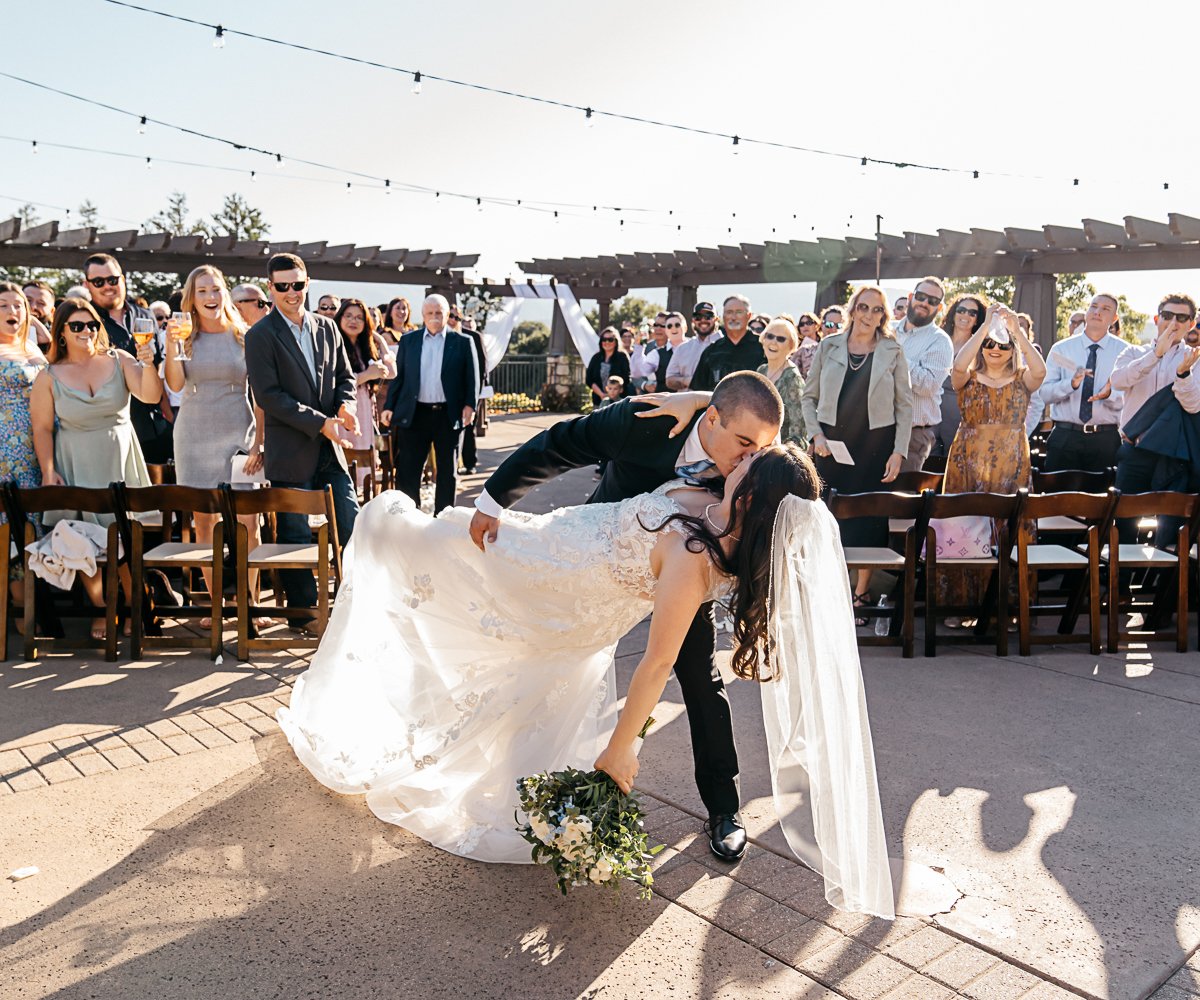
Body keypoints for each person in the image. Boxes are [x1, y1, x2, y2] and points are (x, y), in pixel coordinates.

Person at [279, 441, 894, 917]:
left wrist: (620, 747)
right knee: (420, 548)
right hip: (553, 540)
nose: (740, 459)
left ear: (755, 499)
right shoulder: (716, 506)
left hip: (549, 581)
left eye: (752, 462)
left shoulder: (695, 556)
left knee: (402, 534)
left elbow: (656, 663)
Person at [470, 372, 783, 861]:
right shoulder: (647, 421)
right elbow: (562, 442)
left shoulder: (750, 452)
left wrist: (700, 396)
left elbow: (779, 456)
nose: (749, 458)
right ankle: (511, 777)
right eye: (743, 443)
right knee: (552, 654)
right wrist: (493, 501)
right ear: (713, 419)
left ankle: (724, 809)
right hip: (607, 558)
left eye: (757, 450)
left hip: (685, 564)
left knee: (700, 677)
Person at [30, 297, 159, 639]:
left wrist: (150, 365)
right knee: (83, 543)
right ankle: (104, 609)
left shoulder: (120, 360)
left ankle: (136, 608)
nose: (86, 331)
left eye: (91, 325)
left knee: (126, 540)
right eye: (77, 326)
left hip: (119, 459)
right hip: (75, 460)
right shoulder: (49, 375)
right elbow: (41, 427)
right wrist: (48, 470)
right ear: (61, 333)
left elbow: (150, 396)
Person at [244, 253, 360, 619]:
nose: (292, 292)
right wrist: (320, 422)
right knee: (293, 535)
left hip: (330, 447)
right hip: (290, 450)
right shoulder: (259, 335)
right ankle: (302, 613)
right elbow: (269, 396)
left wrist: (345, 407)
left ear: (308, 282)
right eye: (283, 286)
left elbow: (346, 378)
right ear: (270, 288)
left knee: (352, 525)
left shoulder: (327, 328)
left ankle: (352, 605)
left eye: (298, 284)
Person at [164, 265, 267, 626]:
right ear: (192, 298)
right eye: (202, 291)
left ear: (225, 293)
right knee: (204, 523)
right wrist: (171, 343)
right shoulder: (183, 336)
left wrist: (259, 442)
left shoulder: (245, 335)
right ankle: (218, 607)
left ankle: (250, 607)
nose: (210, 297)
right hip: (193, 435)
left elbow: (262, 395)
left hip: (241, 434)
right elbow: (175, 385)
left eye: (216, 289)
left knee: (249, 523)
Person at [801, 284, 912, 620]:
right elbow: (809, 398)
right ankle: (829, 593)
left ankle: (861, 594)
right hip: (831, 444)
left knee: (869, 518)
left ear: (884, 315)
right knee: (828, 517)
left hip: (876, 445)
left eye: (876, 309)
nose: (868, 315)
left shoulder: (893, 349)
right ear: (853, 310)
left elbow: (904, 406)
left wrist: (899, 452)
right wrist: (815, 434)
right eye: (863, 307)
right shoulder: (828, 345)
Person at [940, 304, 1047, 624]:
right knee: (964, 528)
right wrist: (985, 328)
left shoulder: (1022, 379)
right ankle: (961, 607)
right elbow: (958, 363)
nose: (996, 349)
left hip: (1012, 462)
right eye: (990, 344)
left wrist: (1016, 331)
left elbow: (1040, 370)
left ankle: (1009, 609)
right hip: (968, 461)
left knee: (1010, 530)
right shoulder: (967, 378)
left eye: (1003, 345)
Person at [1110, 294, 1200, 541]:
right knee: (1125, 525)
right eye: (1168, 316)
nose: (1174, 322)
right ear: (1156, 318)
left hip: (1174, 454)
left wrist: (1183, 375)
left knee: (1169, 529)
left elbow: (1193, 406)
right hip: (1134, 450)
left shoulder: (1196, 358)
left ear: (1191, 324)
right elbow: (1118, 381)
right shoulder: (1133, 351)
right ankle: (1122, 578)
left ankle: (1160, 579)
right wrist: (1155, 355)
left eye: (1182, 318)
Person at [379, 294, 478, 514]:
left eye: (439, 313)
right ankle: (407, 517)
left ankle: (444, 517)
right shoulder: (409, 341)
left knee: (447, 471)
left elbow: (472, 377)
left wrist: (470, 405)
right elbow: (400, 377)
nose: (434, 317)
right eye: (430, 313)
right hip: (415, 414)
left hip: (447, 414)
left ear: (446, 315)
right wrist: (389, 406)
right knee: (408, 469)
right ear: (423, 315)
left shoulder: (462, 342)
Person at [80, 252, 172, 464]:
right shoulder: (85, 321)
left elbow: (156, 367)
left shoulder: (144, 315)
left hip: (155, 425)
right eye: (98, 281)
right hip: (113, 429)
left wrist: (168, 414)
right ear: (87, 285)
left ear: (123, 278)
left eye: (112, 279)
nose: (107, 286)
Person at [0, 283, 48, 615]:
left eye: (18, 305)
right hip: (3, 451)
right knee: (5, 524)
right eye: (3, 306)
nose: (12, 312)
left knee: (28, 524)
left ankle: (29, 610)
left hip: (35, 450)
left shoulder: (34, 348)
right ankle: (15, 608)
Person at [1040, 293, 1126, 472]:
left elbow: (1130, 399)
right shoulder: (1061, 349)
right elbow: (1044, 394)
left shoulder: (1125, 352)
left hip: (1106, 438)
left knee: (1102, 496)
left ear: (1114, 318)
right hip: (1065, 435)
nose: (1097, 312)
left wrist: (1109, 394)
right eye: (1093, 306)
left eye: (1105, 309)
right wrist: (1070, 384)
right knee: (1057, 496)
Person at [333, 297, 396, 488]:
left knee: (364, 464)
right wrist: (367, 375)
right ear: (340, 318)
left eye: (360, 317)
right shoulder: (334, 345)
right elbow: (334, 384)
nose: (354, 321)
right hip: (345, 408)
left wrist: (378, 339)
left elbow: (392, 372)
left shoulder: (365, 347)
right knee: (347, 462)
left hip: (366, 410)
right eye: (349, 316)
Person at [895, 277, 953, 472]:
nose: (925, 303)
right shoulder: (886, 330)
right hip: (875, 428)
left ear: (940, 308)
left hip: (913, 435)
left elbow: (927, 386)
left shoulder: (940, 341)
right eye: (921, 296)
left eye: (933, 301)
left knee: (900, 497)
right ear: (911, 297)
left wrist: (896, 355)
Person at [933, 293, 988, 460]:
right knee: (927, 464)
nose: (966, 315)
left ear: (978, 319)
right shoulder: (937, 339)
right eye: (961, 310)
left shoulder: (981, 348)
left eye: (972, 313)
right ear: (953, 313)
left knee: (954, 464)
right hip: (929, 410)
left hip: (960, 415)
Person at [690, 295, 766, 391]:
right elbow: (698, 390)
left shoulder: (763, 348)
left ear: (749, 316)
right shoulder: (711, 351)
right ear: (723, 317)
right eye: (729, 312)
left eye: (739, 312)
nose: (733, 317)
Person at [758, 317, 807, 447]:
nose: (773, 342)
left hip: (777, 455)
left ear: (791, 345)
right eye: (770, 336)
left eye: (781, 339)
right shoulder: (761, 370)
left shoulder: (793, 378)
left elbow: (798, 433)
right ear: (763, 339)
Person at [666, 301, 723, 391]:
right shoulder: (682, 348)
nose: (703, 320)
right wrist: (688, 381)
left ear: (716, 319)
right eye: (698, 317)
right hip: (685, 403)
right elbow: (669, 380)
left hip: (715, 402)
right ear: (693, 320)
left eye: (708, 316)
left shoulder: (725, 346)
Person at [458, 314, 487, 474]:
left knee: (469, 428)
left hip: (472, 391)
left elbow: (482, 365)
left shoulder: (475, 337)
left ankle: (470, 463)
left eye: (469, 322)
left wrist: (477, 392)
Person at [585, 327, 631, 407]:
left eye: (610, 339)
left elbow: (626, 379)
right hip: (598, 401)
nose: (607, 342)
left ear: (616, 342)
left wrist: (612, 394)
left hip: (618, 402)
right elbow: (589, 379)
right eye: (604, 339)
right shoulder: (596, 357)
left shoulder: (622, 357)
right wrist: (602, 395)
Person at [21, 280, 54, 348]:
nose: (33, 307)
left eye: (41, 303)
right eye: (28, 300)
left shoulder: (59, 338)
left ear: (52, 311)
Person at [790, 312, 821, 379]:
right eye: (802, 324)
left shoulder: (823, 345)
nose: (805, 326)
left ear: (816, 325)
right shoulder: (795, 347)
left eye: (809, 323)